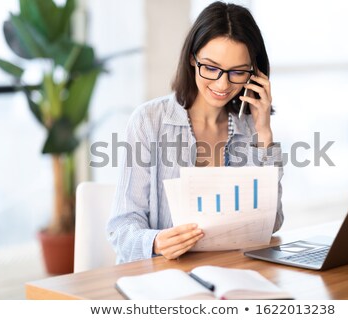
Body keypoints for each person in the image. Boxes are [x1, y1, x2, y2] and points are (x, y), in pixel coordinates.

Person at [107, 1, 284, 263]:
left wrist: (264, 135)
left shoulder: (250, 127)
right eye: (211, 67)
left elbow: (273, 222)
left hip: (231, 273)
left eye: (237, 72)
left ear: (254, 73)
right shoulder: (149, 122)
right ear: (192, 58)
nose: (222, 84)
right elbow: (121, 231)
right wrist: (155, 241)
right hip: (165, 277)